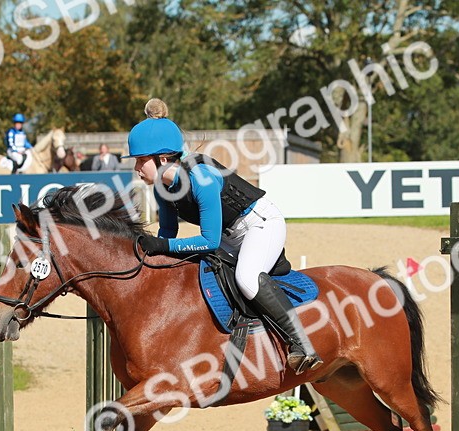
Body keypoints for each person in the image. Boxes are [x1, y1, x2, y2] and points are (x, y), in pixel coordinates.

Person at [125, 114, 323, 374]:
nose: (137, 168)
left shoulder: (201, 177)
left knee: (247, 278)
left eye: (141, 161)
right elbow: (168, 232)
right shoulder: (161, 187)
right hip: (230, 235)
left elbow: (209, 240)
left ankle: (302, 344)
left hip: (260, 224)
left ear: (162, 159)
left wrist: (161, 246)